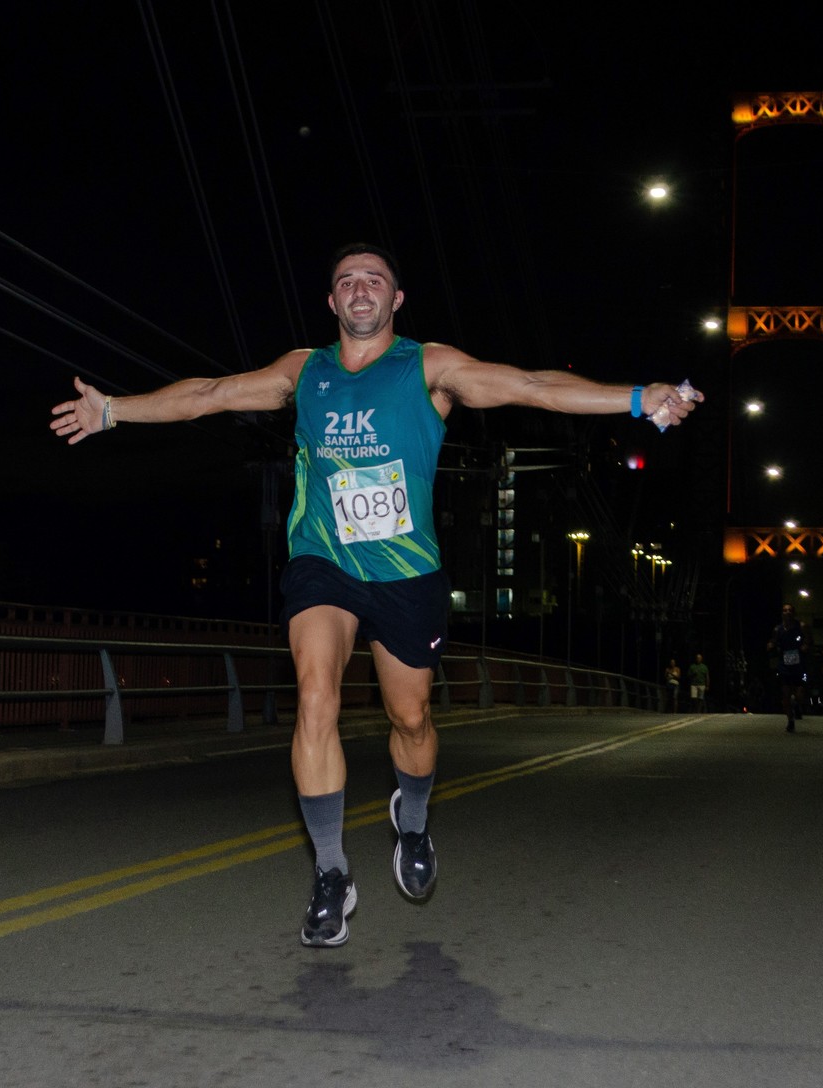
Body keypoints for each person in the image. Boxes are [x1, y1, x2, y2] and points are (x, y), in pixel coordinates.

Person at [49, 243, 702, 946]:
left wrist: (637, 399)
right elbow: (208, 395)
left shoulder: (430, 367)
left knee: (411, 718)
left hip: (406, 574)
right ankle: (331, 875)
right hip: (321, 563)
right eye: (346, 282)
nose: (360, 290)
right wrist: (113, 411)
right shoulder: (305, 371)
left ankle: (412, 822)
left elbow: (531, 386)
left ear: (396, 299)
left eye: (374, 281)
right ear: (331, 303)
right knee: (316, 695)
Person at [767, 603, 810, 732]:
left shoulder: (801, 626)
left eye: (790, 610)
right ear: (782, 613)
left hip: (799, 665)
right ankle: (790, 720)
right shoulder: (778, 629)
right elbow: (773, 641)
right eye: (785, 610)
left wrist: (805, 646)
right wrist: (770, 645)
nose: (787, 613)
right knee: (785, 695)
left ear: (794, 613)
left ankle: (797, 705)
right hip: (784, 665)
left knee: (799, 694)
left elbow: (808, 640)